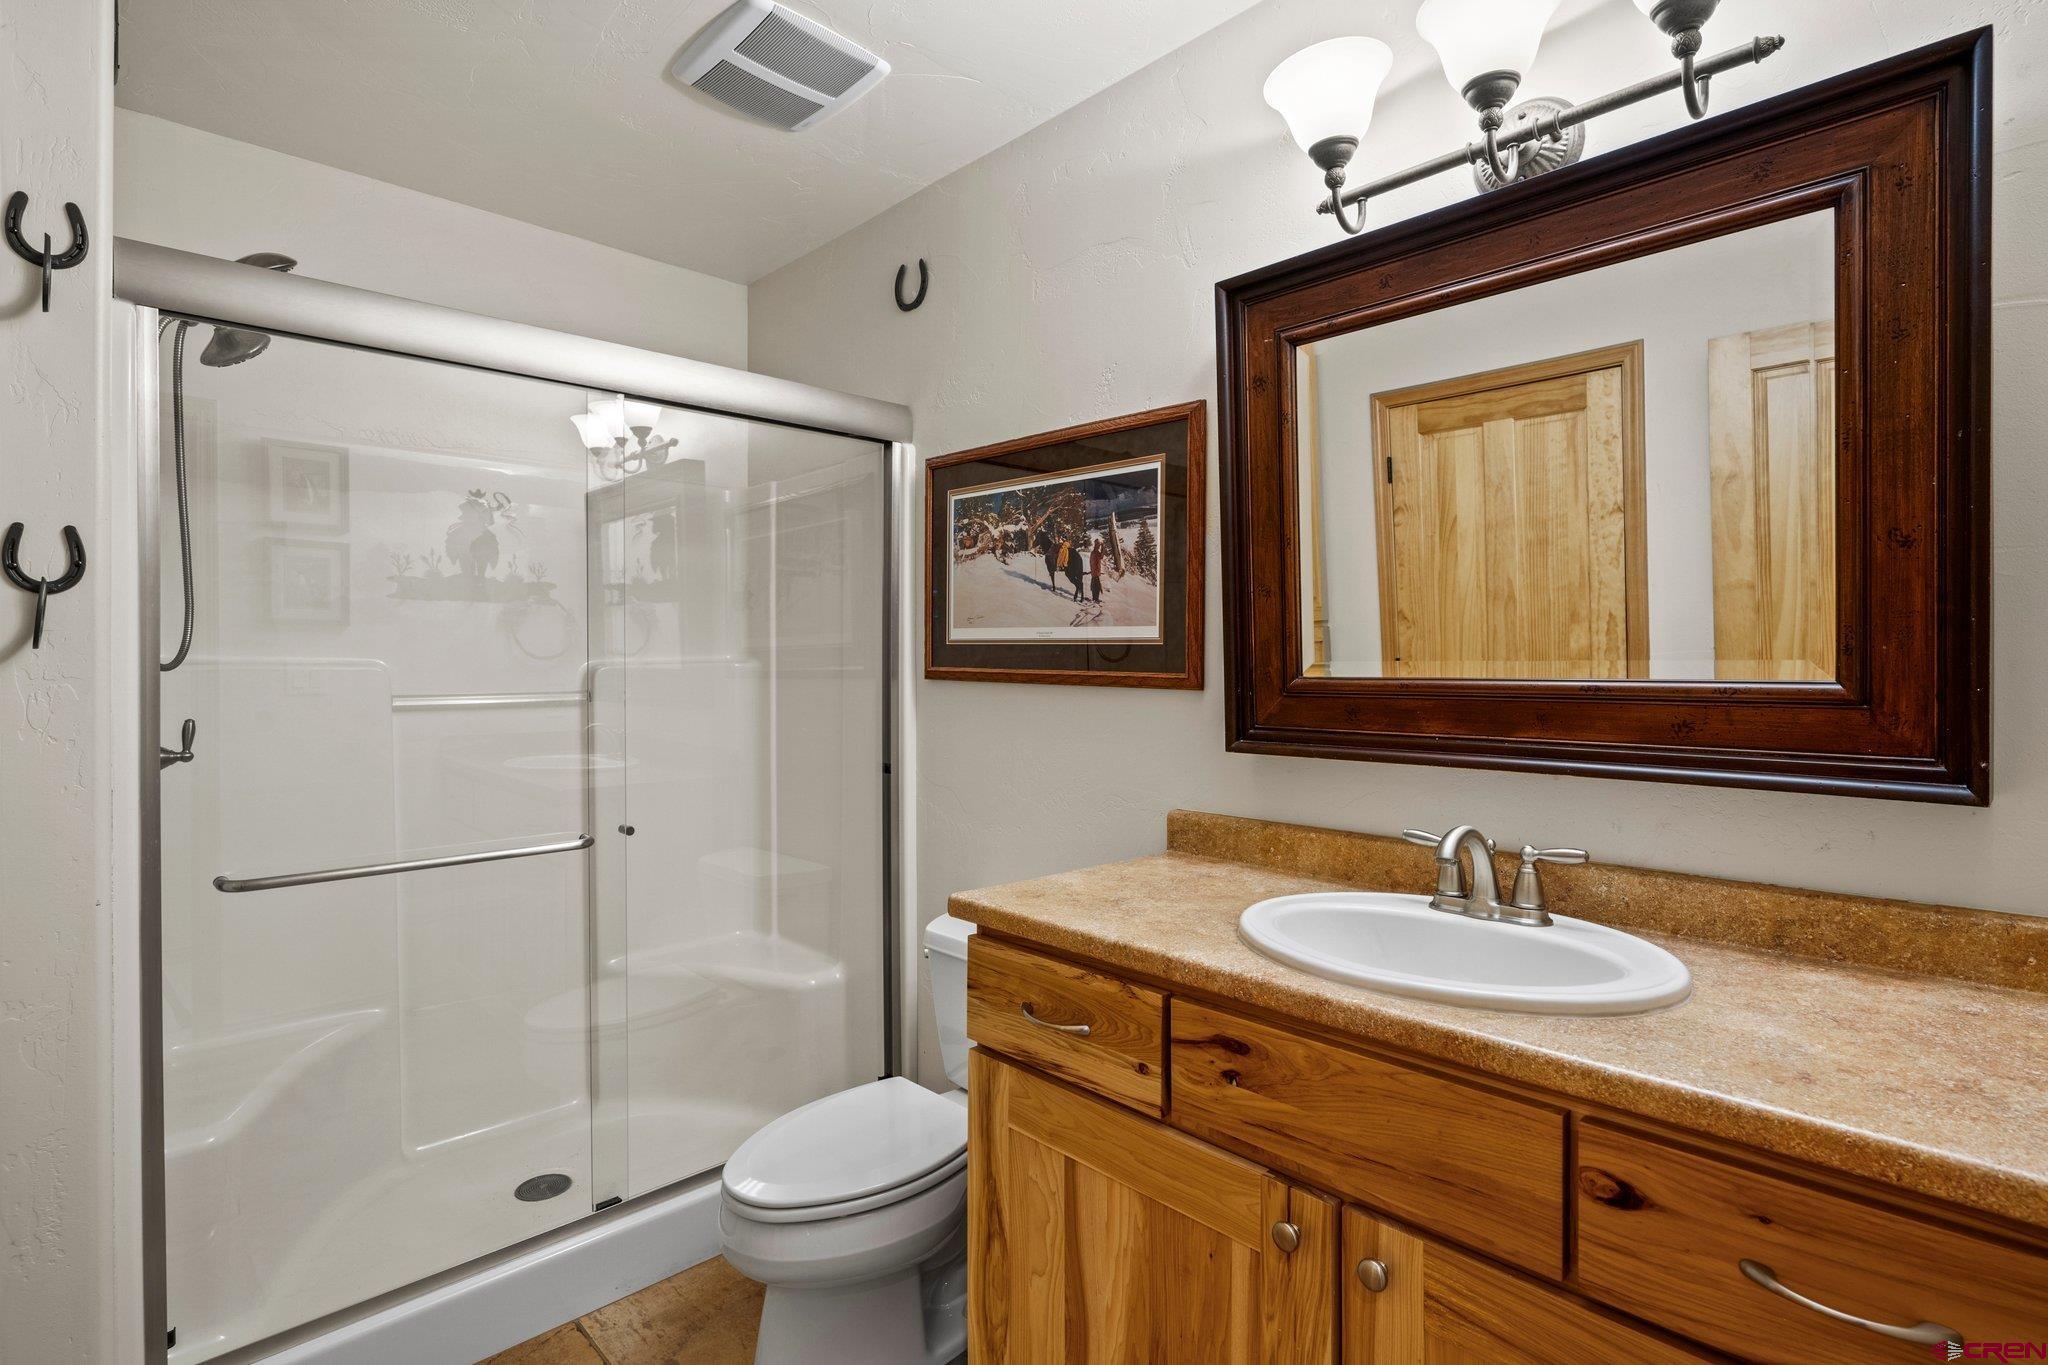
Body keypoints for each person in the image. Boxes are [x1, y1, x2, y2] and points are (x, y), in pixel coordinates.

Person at [1088, 537, 1105, 604]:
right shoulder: (1096, 552)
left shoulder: (1093, 552)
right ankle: (1096, 599)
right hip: (1095, 571)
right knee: (1096, 586)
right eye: (1098, 545)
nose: (1099, 546)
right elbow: (1101, 556)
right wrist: (1103, 547)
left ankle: (1095, 598)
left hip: (1094, 571)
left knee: (1094, 585)